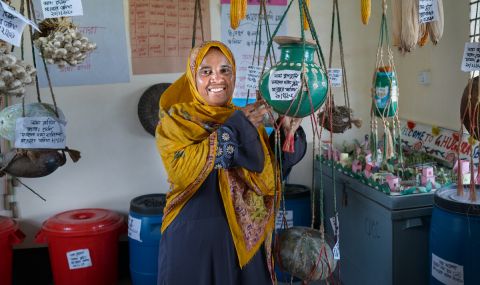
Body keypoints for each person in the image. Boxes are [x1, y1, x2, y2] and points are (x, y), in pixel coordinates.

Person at [155, 41, 306, 285]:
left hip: (245, 246)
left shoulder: (242, 117)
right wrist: (235, 131)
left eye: (225, 70)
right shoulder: (176, 121)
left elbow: (269, 175)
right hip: (194, 242)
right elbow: (182, 171)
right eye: (206, 71)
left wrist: (285, 134)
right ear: (192, 77)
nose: (217, 78)